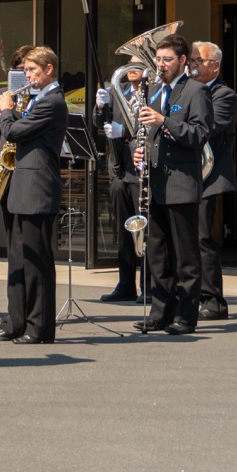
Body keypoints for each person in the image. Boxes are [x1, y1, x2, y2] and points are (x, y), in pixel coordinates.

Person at [0, 46, 67, 345]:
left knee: (37, 263)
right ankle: (17, 321)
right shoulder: (39, 99)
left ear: (48, 69)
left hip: (37, 188)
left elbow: (14, 132)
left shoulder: (53, 101)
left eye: (32, 70)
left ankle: (39, 328)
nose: (28, 76)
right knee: (19, 259)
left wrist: (6, 109)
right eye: (26, 71)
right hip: (21, 187)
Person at [133, 34, 211, 335]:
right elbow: (142, 133)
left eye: (167, 59)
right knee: (158, 253)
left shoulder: (196, 91)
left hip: (181, 184)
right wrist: (137, 151)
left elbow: (199, 134)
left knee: (186, 256)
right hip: (155, 183)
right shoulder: (153, 91)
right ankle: (160, 313)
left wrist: (164, 121)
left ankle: (186, 316)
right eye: (158, 59)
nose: (161, 65)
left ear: (182, 61)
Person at [0, 44, 35, 332]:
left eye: (28, 70)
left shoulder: (39, 97)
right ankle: (15, 311)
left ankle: (26, 313)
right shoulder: (5, 95)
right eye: (19, 70)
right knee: (13, 247)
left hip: (29, 176)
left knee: (28, 249)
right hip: (6, 174)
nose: (24, 75)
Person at [191, 41, 237, 321]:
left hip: (209, 175)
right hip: (186, 173)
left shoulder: (224, 94)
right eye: (192, 61)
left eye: (199, 61)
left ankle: (213, 301)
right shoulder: (186, 90)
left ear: (215, 66)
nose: (193, 65)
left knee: (202, 237)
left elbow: (208, 127)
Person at [93, 57, 145, 302]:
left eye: (138, 63)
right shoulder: (118, 90)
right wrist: (99, 107)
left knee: (144, 230)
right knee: (124, 230)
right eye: (129, 63)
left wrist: (123, 131)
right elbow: (99, 123)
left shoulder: (153, 92)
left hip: (141, 171)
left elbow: (149, 130)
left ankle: (149, 285)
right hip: (119, 170)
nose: (131, 69)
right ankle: (126, 284)